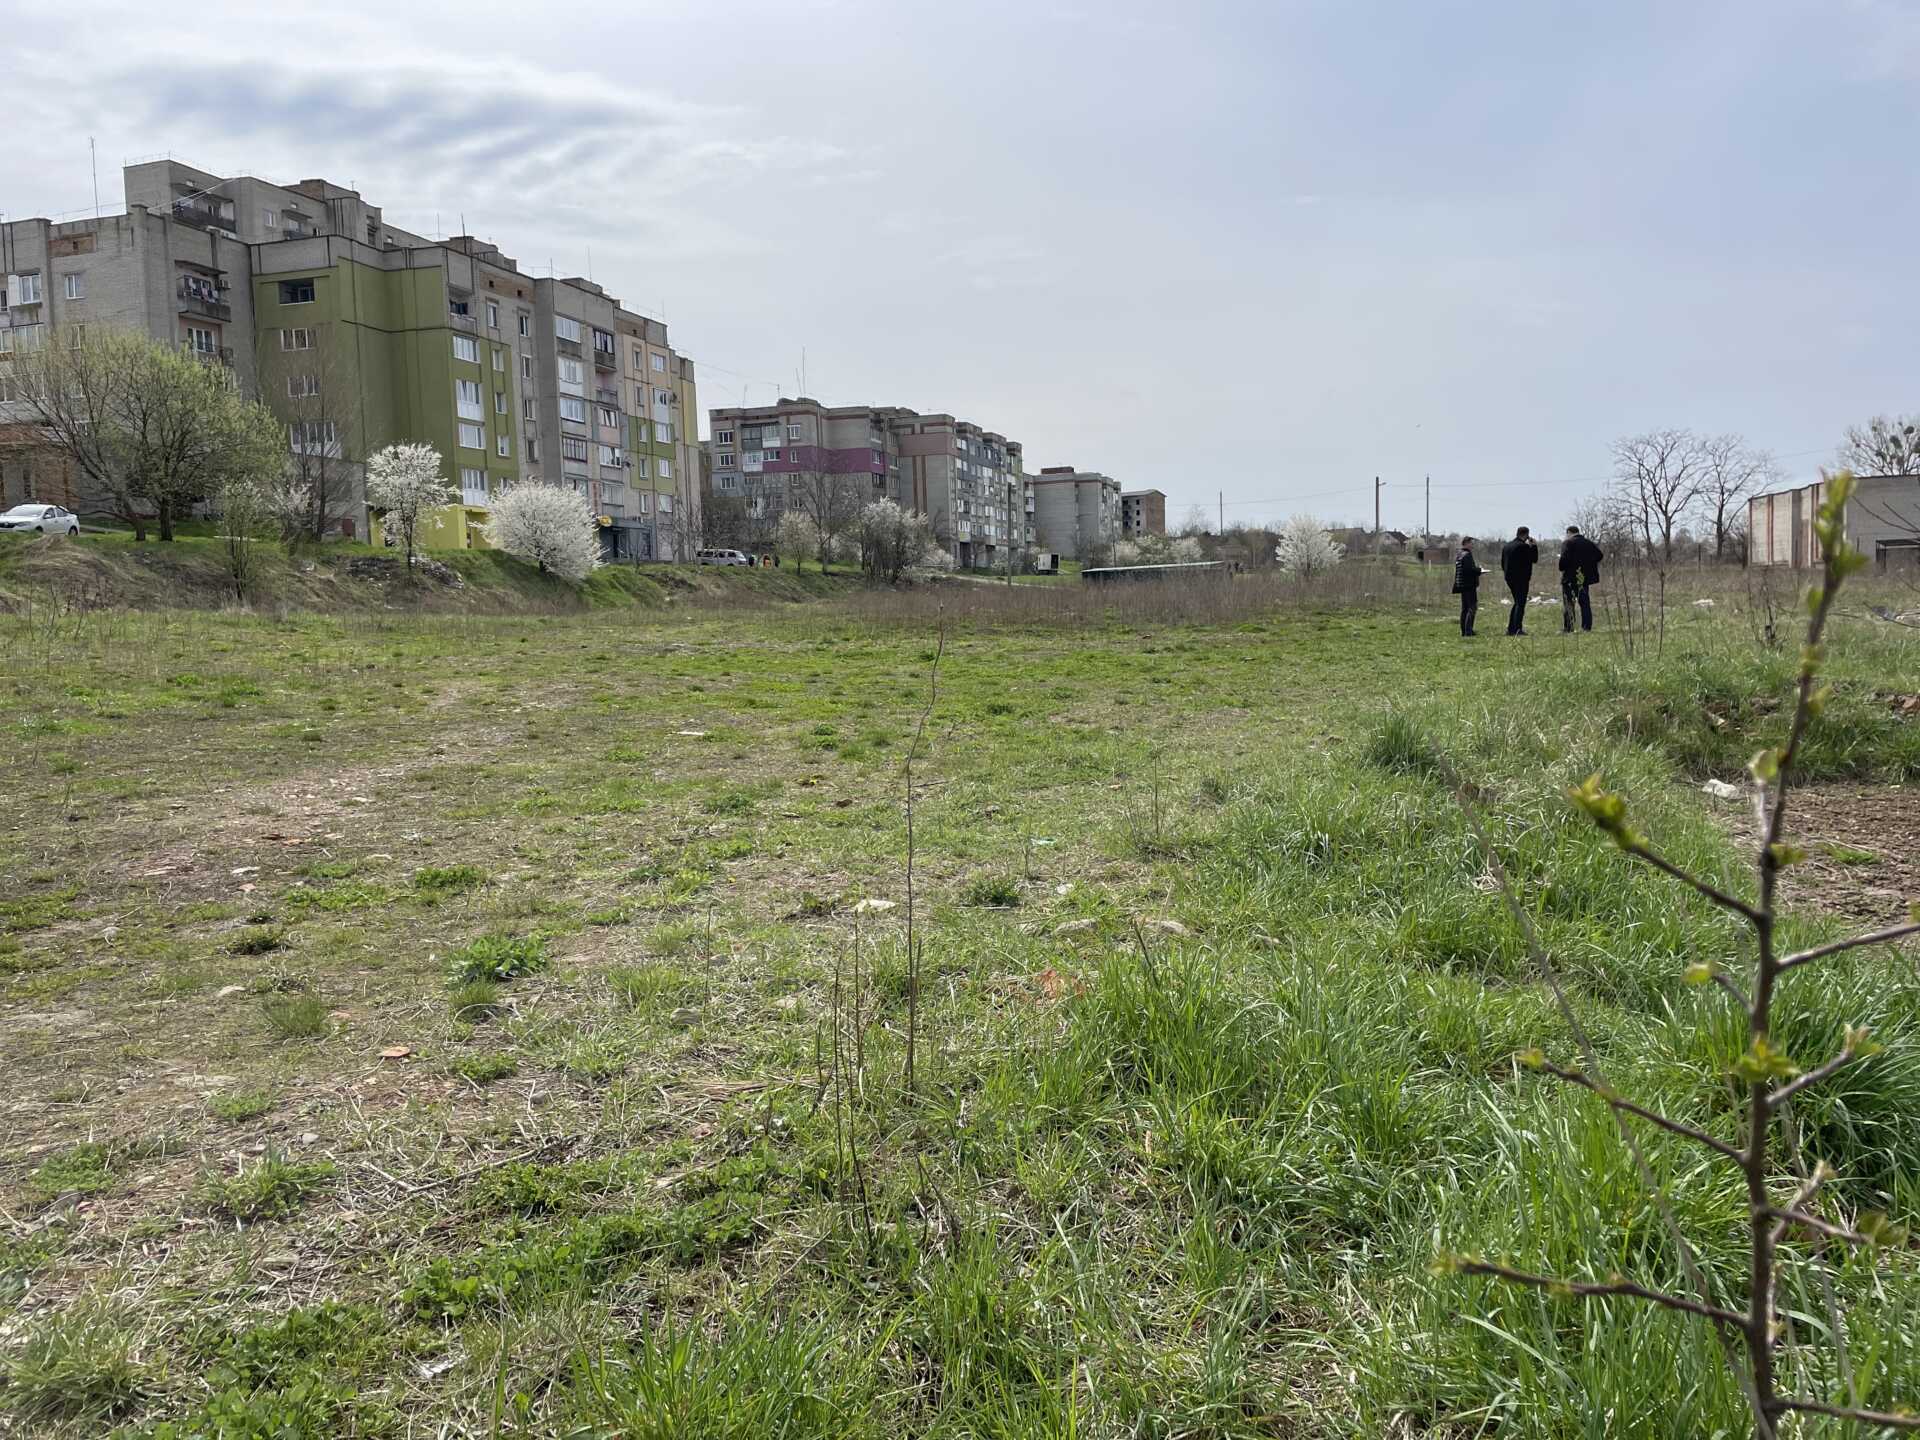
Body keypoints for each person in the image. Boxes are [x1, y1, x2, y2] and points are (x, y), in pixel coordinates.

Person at [1559, 525, 1603, 633]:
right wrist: (1588, 564)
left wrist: (1564, 567)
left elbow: (1563, 561)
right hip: (1583, 578)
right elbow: (1599, 555)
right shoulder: (1588, 543)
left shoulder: (1568, 543)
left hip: (1570, 578)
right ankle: (1586, 627)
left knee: (1569, 603)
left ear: (1569, 532)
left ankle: (1569, 627)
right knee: (1584, 603)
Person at [1500, 526, 1538, 635]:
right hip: (1521, 579)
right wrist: (1534, 546)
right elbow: (1534, 559)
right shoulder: (1523, 546)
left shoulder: (1507, 546)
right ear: (1526, 535)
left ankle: (1511, 628)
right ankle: (1517, 629)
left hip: (1509, 578)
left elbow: (1502, 563)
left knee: (1517, 602)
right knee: (1520, 604)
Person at [1453, 537, 1484, 637]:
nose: (1472, 545)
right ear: (1466, 543)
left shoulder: (1459, 554)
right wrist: (1480, 570)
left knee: (1465, 608)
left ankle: (1464, 631)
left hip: (1462, 584)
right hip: (1469, 585)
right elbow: (1469, 570)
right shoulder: (1467, 555)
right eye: (1471, 543)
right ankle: (1468, 631)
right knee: (1472, 607)